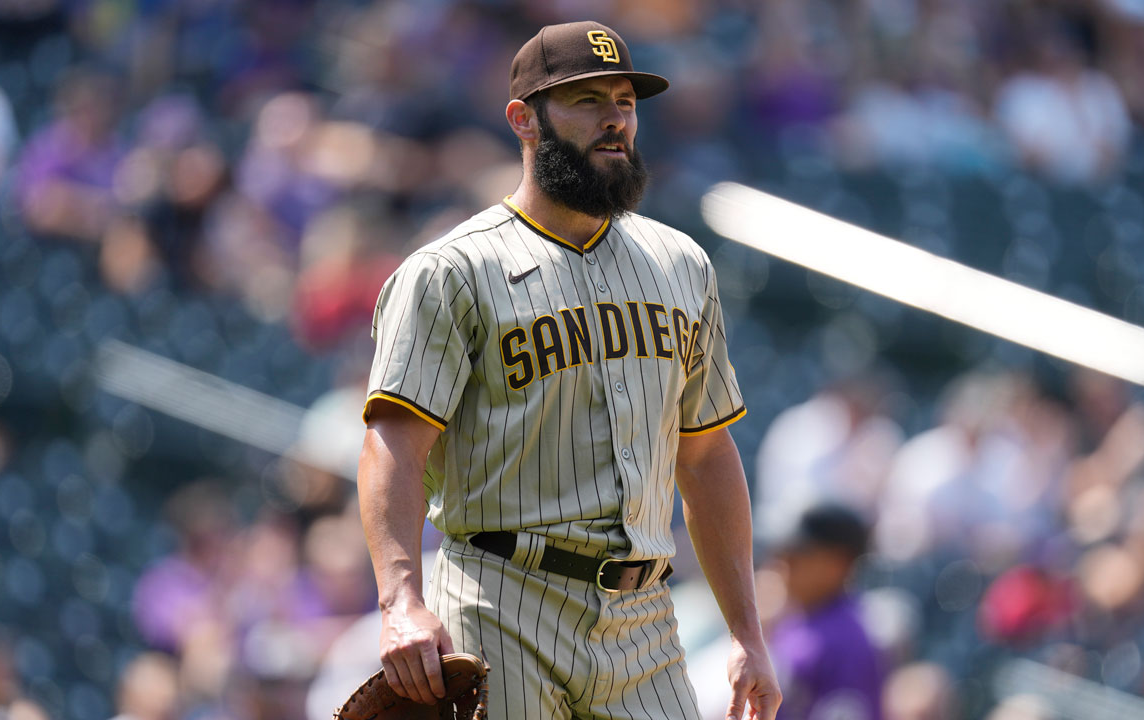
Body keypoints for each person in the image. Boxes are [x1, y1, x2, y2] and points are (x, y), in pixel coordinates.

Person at [357, 20, 780, 720]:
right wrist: (400, 601)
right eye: (586, 100)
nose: (614, 119)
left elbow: (704, 456)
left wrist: (747, 634)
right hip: (502, 600)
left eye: (625, 100)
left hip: (644, 619)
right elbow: (393, 442)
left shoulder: (682, 266)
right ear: (524, 120)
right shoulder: (450, 272)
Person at [766, 503, 882, 720]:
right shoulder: (797, 620)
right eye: (781, 553)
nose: (783, 563)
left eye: (796, 554)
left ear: (838, 563)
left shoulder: (846, 642)